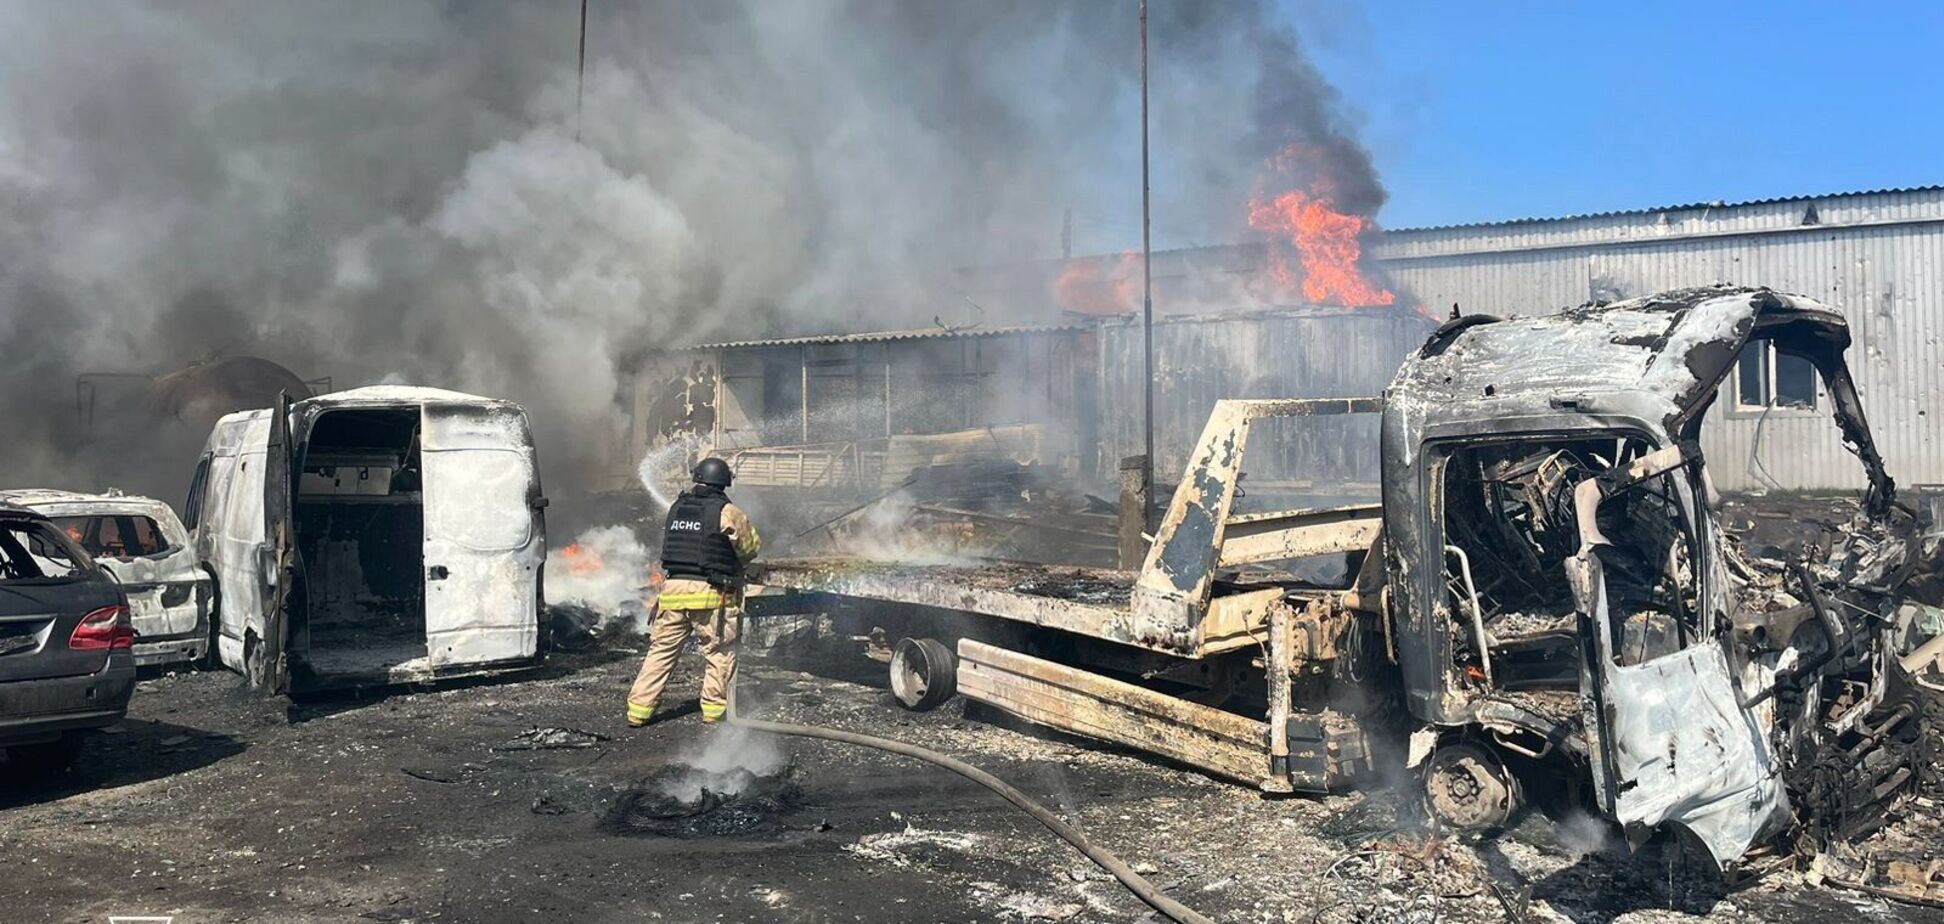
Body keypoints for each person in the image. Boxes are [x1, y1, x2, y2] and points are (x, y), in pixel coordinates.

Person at [626, 457, 761, 727]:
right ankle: (713, 713)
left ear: (696, 478)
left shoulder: (676, 508)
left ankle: (638, 711)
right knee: (719, 652)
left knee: (661, 652)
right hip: (713, 594)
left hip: (672, 591)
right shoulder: (728, 511)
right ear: (725, 482)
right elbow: (750, 547)